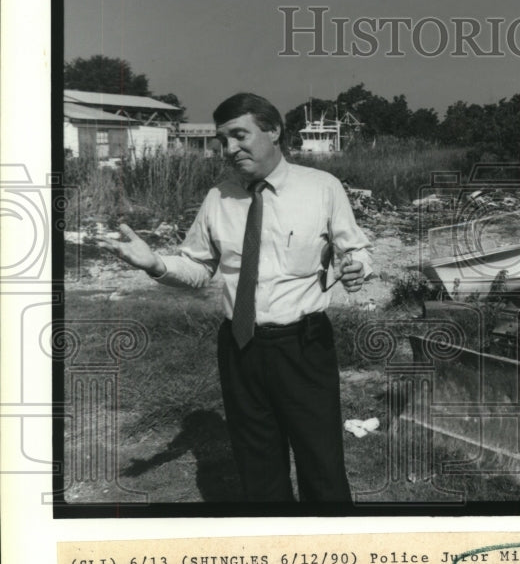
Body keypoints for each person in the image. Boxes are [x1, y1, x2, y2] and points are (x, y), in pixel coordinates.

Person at [99, 92, 372, 503]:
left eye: (239, 135)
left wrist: (357, 266)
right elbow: (197, 269)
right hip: (240, 346)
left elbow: (357, 249)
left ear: (274, 131)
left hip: (304, 346)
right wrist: (154, 263)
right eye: (222, 140)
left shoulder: (323, 188)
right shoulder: (218, 198)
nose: (229, 149)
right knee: (257, 468)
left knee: (323, 465)